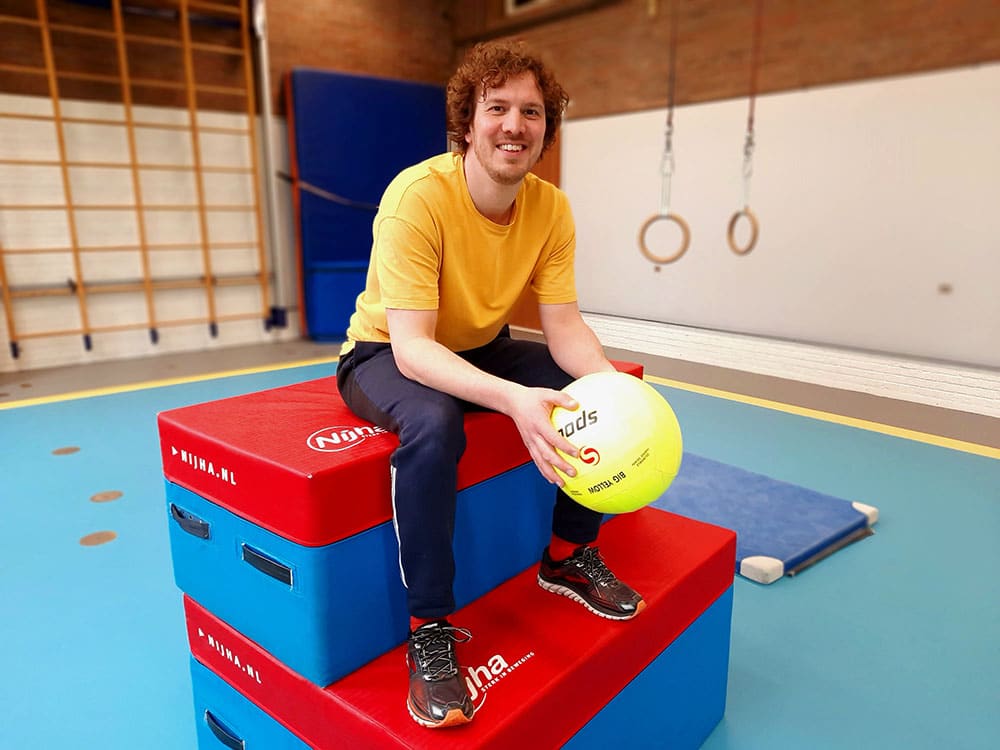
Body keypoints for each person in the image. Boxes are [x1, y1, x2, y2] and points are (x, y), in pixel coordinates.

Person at [336, 40, 644, 730]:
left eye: (531, 112)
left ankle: (567, 557)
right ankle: (430, 630)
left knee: (589, 385)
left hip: (481, 346)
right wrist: (510, 398)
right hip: (386, 352)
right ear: (467, 123)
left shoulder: (551, 209)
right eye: (497, 107)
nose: (514, 125)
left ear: (546, 128)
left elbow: (563, 327)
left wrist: (613, 388)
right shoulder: (417, 197)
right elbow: (414, 348)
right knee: (435, 424)